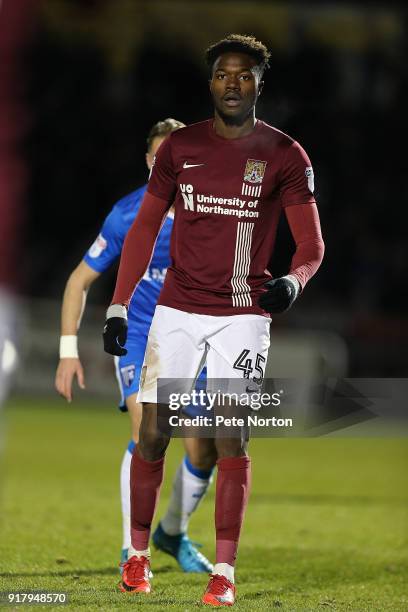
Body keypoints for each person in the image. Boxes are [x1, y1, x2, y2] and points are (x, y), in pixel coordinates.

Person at [103, 34, 325, 606]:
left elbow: (311, 246)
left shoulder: (285, 154)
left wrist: (292, 284)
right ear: (211, 83)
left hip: (243, 316)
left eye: (244, 74)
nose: (233, 83)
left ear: (258, 83)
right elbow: (145, 229)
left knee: (230, 437)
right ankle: (138, 557)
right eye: (224, 74)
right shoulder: (180, 147)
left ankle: (223, 572)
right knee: (152, 436)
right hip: (176, 309)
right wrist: (120, 304)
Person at [55, 118, 216, 574]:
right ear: (150, 162)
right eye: (161, 158)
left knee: (205, 449)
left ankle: (172, 532)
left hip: (194, 334)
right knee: (147, 431)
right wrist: (68, 350)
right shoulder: (127, 215)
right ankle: (134, 549)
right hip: (142, 335)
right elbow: (78, 282)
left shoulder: (211, 214)